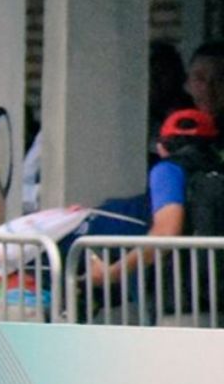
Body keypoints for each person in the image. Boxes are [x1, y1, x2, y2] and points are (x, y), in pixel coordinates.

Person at [87, 109, 222, 315]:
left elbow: (165, 234)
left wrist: (111, 274)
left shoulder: (168, 170)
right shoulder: (218, 172)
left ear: (161, 147)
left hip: (184, 300)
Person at [186, 40, 224, 130]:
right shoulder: (178, 126)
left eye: (219, 79)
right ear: (187, 83)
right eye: (200, 78)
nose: (207, 88)